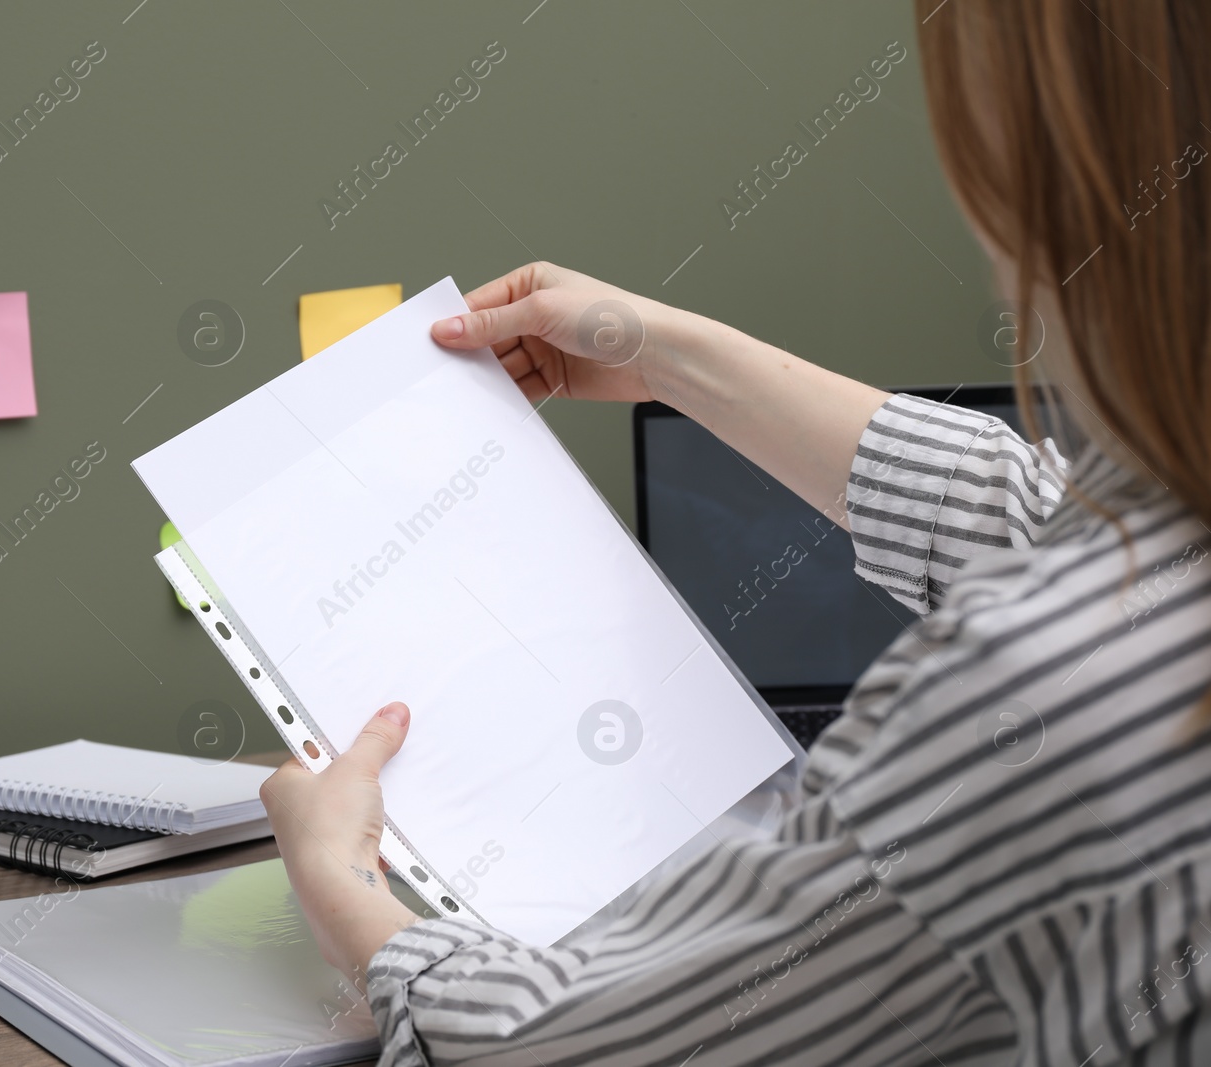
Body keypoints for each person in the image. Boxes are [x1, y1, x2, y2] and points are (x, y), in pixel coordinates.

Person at [258, 1, 1211, 1062]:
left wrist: (343, 890)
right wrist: (668, 355)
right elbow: (1067, 528)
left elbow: (572, 1045)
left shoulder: (1042, 693)